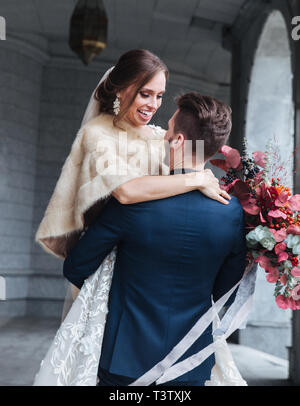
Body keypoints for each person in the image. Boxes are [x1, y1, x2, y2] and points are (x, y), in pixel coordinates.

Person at [33, 49, 232, 386]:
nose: (153, 104)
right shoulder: (97, 134)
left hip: (150, 267)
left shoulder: (159, 136)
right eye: (145, 93)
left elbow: (189, 174)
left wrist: (209, 181)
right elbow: (125, 193)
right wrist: (195, 179)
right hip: (103, 265)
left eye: (159, 96)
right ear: (120, 88)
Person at [63, 92, 247, 386]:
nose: (163, 137)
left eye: (169, 130)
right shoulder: (233, 213)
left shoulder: (133, 200)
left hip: (124, 361)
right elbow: (228, 289)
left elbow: (75, 267)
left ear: (178, 142)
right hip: (189, 363)